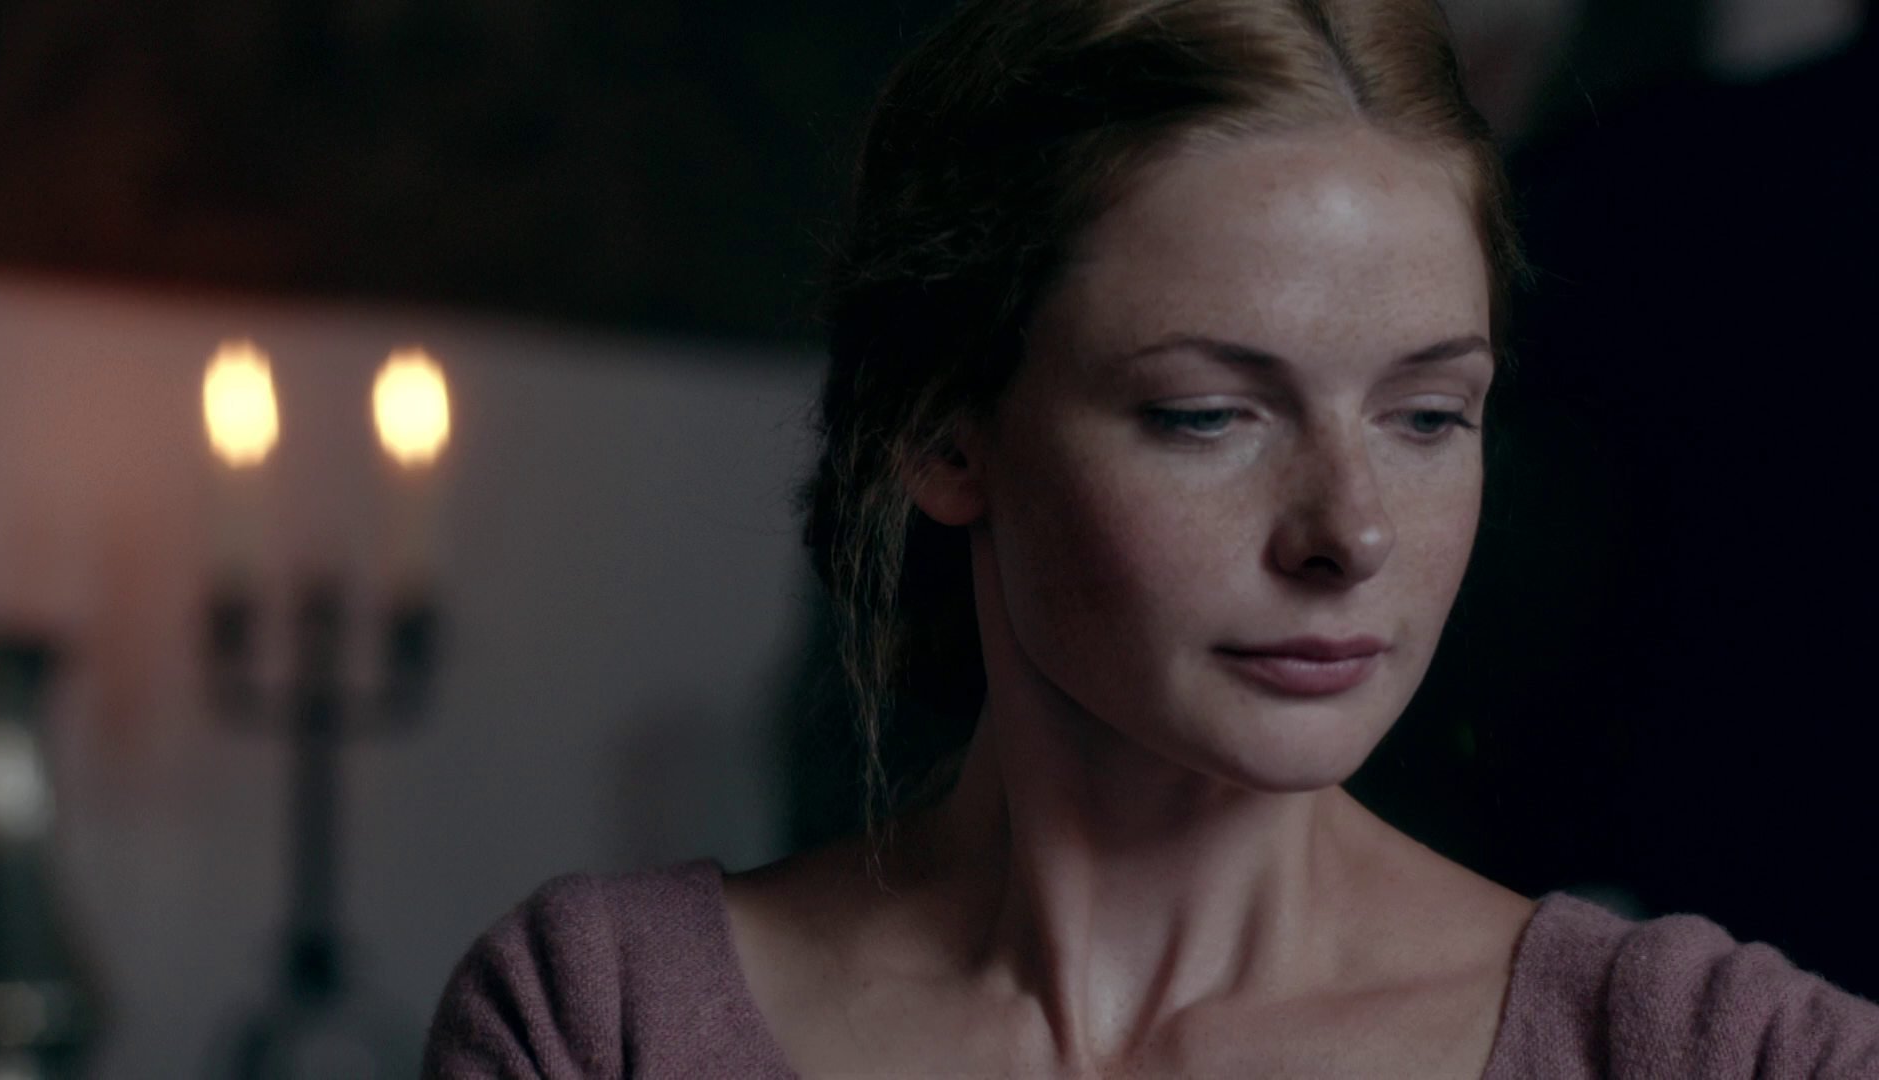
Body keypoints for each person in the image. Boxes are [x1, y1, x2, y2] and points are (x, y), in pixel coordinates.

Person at [420, 0, 1879, 1075]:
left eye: (1429, 416)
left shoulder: (1714, 1051)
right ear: (945, 432)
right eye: (1208, 416)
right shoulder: (601, 1021)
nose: (1351, 532)